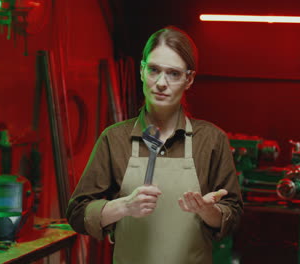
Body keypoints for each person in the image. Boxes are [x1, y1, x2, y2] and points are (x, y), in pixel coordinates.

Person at [66, 26, 243, 264]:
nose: (161, 83)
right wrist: (124, 207)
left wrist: (208, 211)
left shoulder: (211, 141)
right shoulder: (114, 139)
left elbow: (233, 214)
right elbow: (77, 213)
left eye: (173, 74)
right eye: (154, 70)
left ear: (189, 79)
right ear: (141, 71)